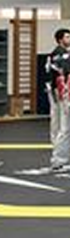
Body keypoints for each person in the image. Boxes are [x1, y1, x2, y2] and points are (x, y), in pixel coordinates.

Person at [44, 28, 70, 173]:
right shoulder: (61, 54)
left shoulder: (56, 54)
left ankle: (58, 156)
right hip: (61, 93)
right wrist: (60, 93)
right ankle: (57, 158)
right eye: (67, 37)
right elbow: (60, 76)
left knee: (59, 126)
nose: (69, 39)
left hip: (58, 91)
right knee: (63, 127)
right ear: (60, 39)